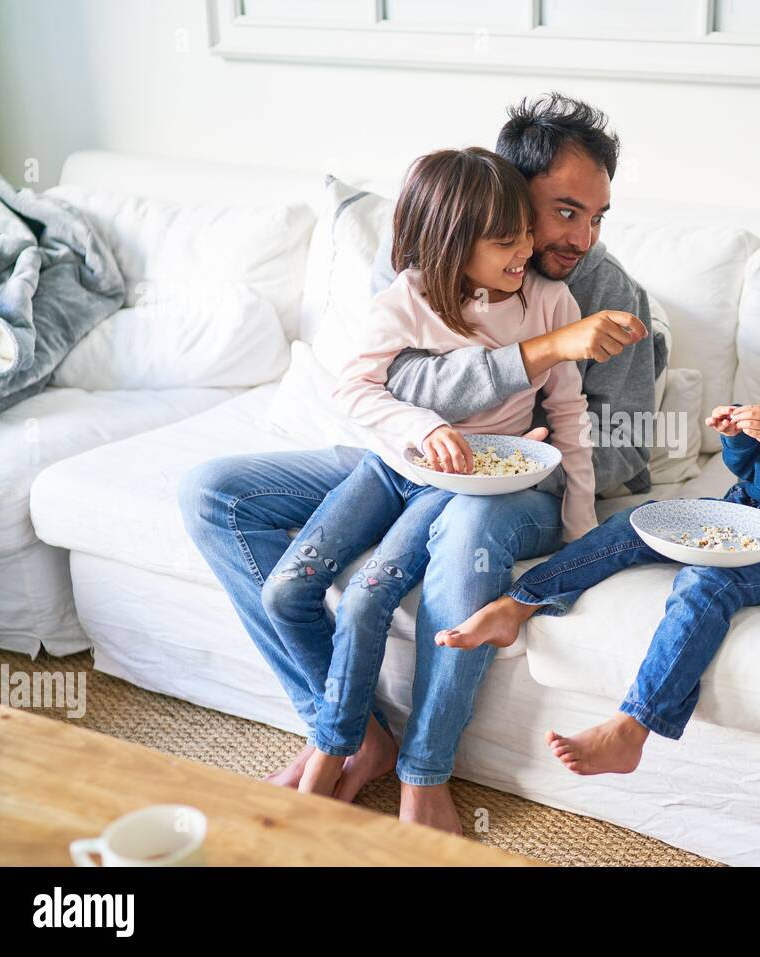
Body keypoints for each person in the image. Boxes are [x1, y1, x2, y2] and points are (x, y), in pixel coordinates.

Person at [178, 93, 662, 835]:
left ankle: (425, 772)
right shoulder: (424, 244)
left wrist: (532, 454)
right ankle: (350, 733)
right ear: (508, 187)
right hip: (404, 452)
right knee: (212, 493)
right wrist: (526, 360)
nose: (582, 237)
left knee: (468, 520)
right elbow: (390, 383)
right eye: (566, 212)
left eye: (598, 216)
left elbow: (625, 436)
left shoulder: (597, 288)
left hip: (517, 478)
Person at [436, 264, 760, 777]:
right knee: (641, 521)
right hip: (742, 519)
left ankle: (633, 728)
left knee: (707, 583)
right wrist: (740, 438)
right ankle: (520, 603)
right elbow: (751, 468)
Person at [259, 146, 596, 799]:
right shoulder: (404, 301)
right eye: (506, 240)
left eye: (525, 230)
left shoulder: (551, 302)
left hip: (461, 483)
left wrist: (577, 529)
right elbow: (354, 390)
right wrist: (424, 426)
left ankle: (329, 762)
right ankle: (358, 738)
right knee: (286, 590)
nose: (525, 248)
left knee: (366, 597)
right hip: (391, 467)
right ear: (450, 246)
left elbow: (570, 412)